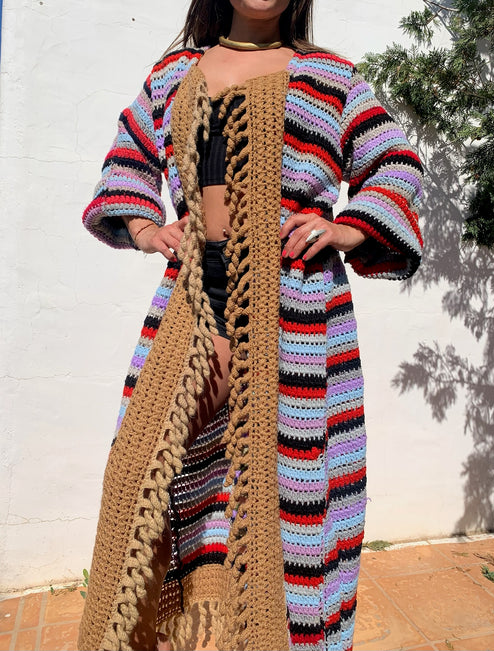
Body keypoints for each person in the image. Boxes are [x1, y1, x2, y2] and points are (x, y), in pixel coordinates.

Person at [78, 0, 423, 649]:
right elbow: (128, 159)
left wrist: (348, 228)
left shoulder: (330, 79)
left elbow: (395, 164)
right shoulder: (174, 74)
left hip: (297, 317)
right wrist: (147, 228)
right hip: (191, 305)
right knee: (137, 477)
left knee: (285, 502)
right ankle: (171, 627)